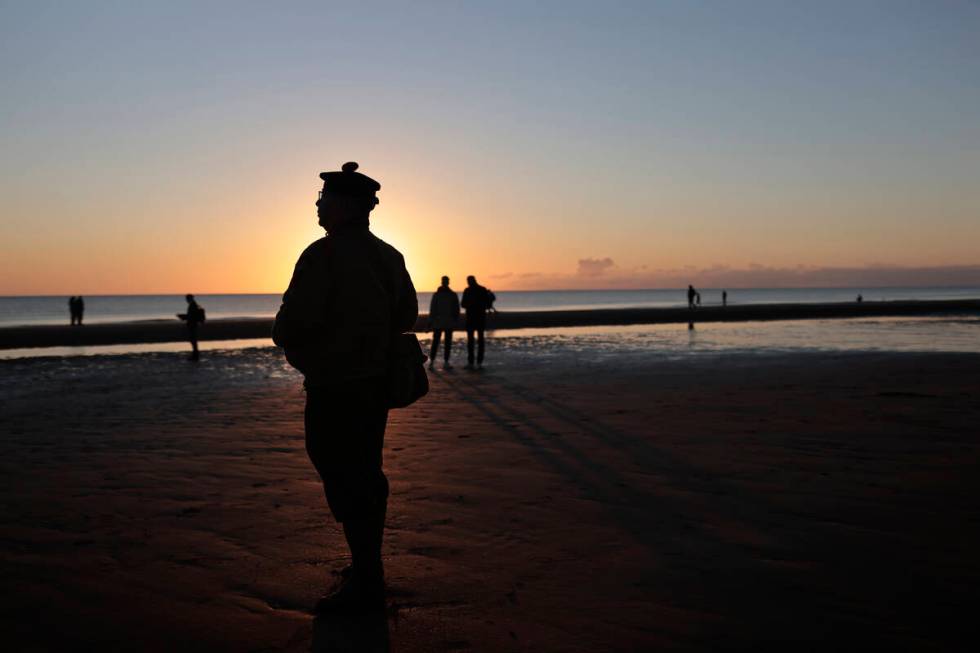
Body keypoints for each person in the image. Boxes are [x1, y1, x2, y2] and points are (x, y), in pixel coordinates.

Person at [272, 162, 417, 613]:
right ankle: (367, 567)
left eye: (322, 198)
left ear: (344, 205)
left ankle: (367, 579)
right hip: (374, 385)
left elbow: (293, 323)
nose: (317, 205)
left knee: (342, 473)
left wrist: (296, 342)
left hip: (335, 385)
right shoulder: (389, 255)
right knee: (365, 472)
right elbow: (407, 315)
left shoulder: (323, 254)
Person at [461, 275, 494, 370]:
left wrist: (470, 305)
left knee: (471, 341)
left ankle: (472, 362)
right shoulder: (482, 289)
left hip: (471, 318)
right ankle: (479, 362)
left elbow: (463, 304)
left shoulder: (468, 290)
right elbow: (487, 304)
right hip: (480, 318)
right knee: (480, 341)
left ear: (469, 281)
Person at [428, 276, 459, 370]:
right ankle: (433, 361)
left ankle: (441, 362)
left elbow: (456, 309)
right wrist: (431, 320)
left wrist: (455, 319)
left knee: (444, 342)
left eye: (446, 281)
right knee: (438, 342)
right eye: (445, 281)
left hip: (444, 322)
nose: (445, 282)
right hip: (441, 322)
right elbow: (433, 309)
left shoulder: (448, 294)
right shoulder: (443, 294)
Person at [177, 294, 205, 360]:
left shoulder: (193, 305)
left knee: (193, 340)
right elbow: (191, 316)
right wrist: (183, 316)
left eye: (187, 299)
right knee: (193, 340)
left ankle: (195, 355)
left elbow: (191, 316)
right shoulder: (194, 305)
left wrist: (183, 317)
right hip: (193, 324)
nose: (186, 300)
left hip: (192, 325)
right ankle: (195, 355)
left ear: (189, 299)